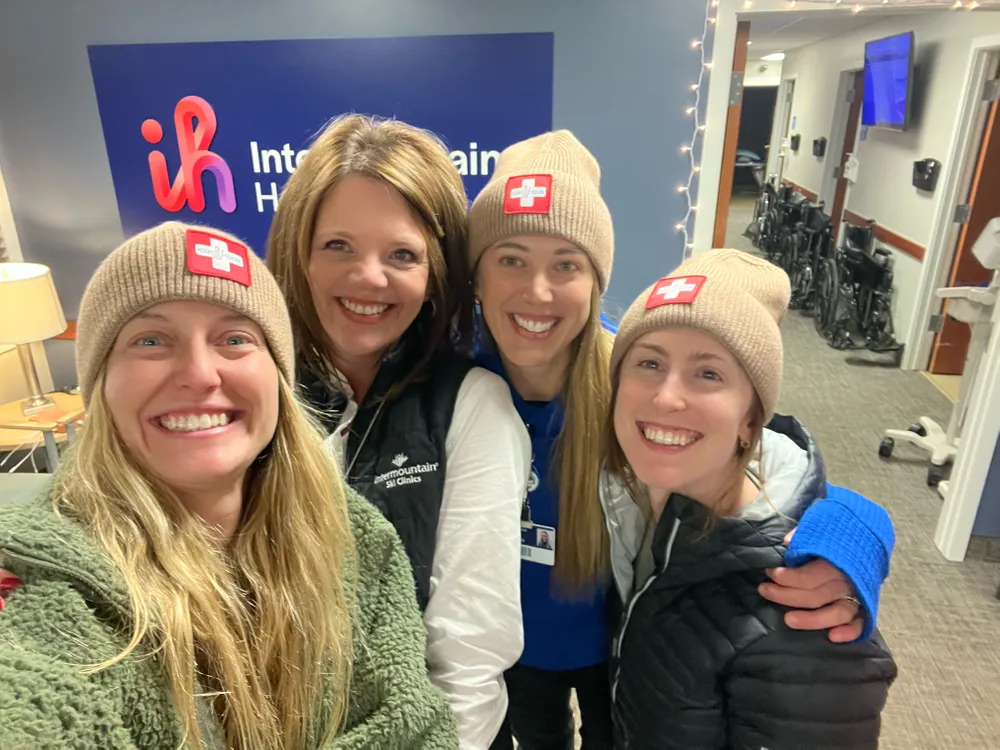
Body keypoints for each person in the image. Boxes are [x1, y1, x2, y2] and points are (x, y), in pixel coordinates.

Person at [465, 130, 897, 750]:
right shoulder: (455, 382)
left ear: (594, 280)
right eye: (510, 259)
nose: (537, 291)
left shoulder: (634, 380)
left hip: (625, 643)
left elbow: (764, 461)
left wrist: (854, 536)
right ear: (476, 276)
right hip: (514, 646)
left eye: (566, 264)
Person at [0, 222, 457, 749]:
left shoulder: (356, 541)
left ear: (278, 378)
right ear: (101, 385)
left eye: (235, 339)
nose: (200, 374)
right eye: (151, 341)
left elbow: (413, 723)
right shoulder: (41, 587)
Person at [266, 114, 528, 748]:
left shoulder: (471, 405)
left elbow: (469, 651)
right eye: (338, 245)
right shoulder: (256, 390)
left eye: (402, 254)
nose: (369, 277)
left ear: (436, 271)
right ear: (299, 251)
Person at [604, 248, 897, 748]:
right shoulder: (638, 494)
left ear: (751, 420)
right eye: (649, 362)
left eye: (709, 373)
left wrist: (861, 533)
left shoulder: (808, 612)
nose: (666, 397)